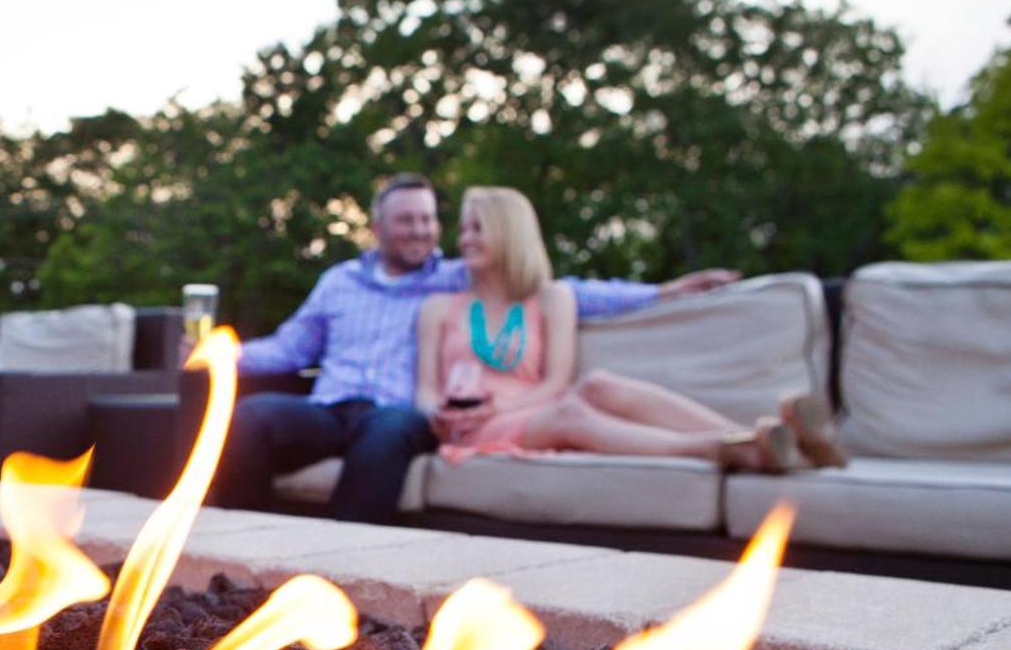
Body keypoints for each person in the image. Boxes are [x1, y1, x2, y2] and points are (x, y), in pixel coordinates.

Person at [212, 173, 738, 522]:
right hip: (330, 408)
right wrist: (218, 352)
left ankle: (343, 563)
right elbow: (287, 348)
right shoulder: (338, 282)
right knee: (251, 417)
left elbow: (560, 289)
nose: (421, 230)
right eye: (407, 221)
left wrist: (661, 292)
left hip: (399, 415)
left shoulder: (454, 275)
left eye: (427, 219)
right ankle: (253, 550)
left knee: (390, 430)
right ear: (377, 229)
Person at [417, 186, 841, 469]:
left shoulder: (552, 298)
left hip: (532, 405)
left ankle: (766, 438)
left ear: (509, 234)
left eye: (477, 228)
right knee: (572, 414)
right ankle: (730, 448)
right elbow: (424, 390)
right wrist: (436, 415)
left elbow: (555, 381)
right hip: (474, 430)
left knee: (599, 384)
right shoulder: (439, 307)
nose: (464, 239)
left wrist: (665, 290)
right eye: (464, 229)